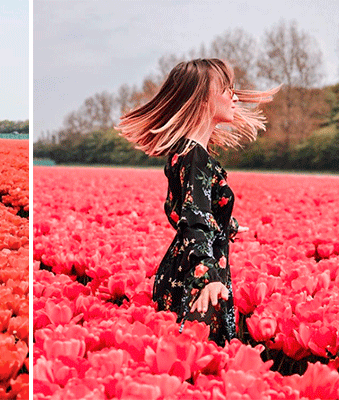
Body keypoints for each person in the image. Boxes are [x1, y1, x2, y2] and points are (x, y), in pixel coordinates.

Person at [116, 58, 278, 345]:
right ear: (202, 99)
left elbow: (184, 211)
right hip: (199, 277)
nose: (235, 97)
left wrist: (226, 225)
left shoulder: (185, 153)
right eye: (227, 90)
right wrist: (208, 276)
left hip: (187, 267)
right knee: (199, 361)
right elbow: (193, 219)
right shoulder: (195, 157)